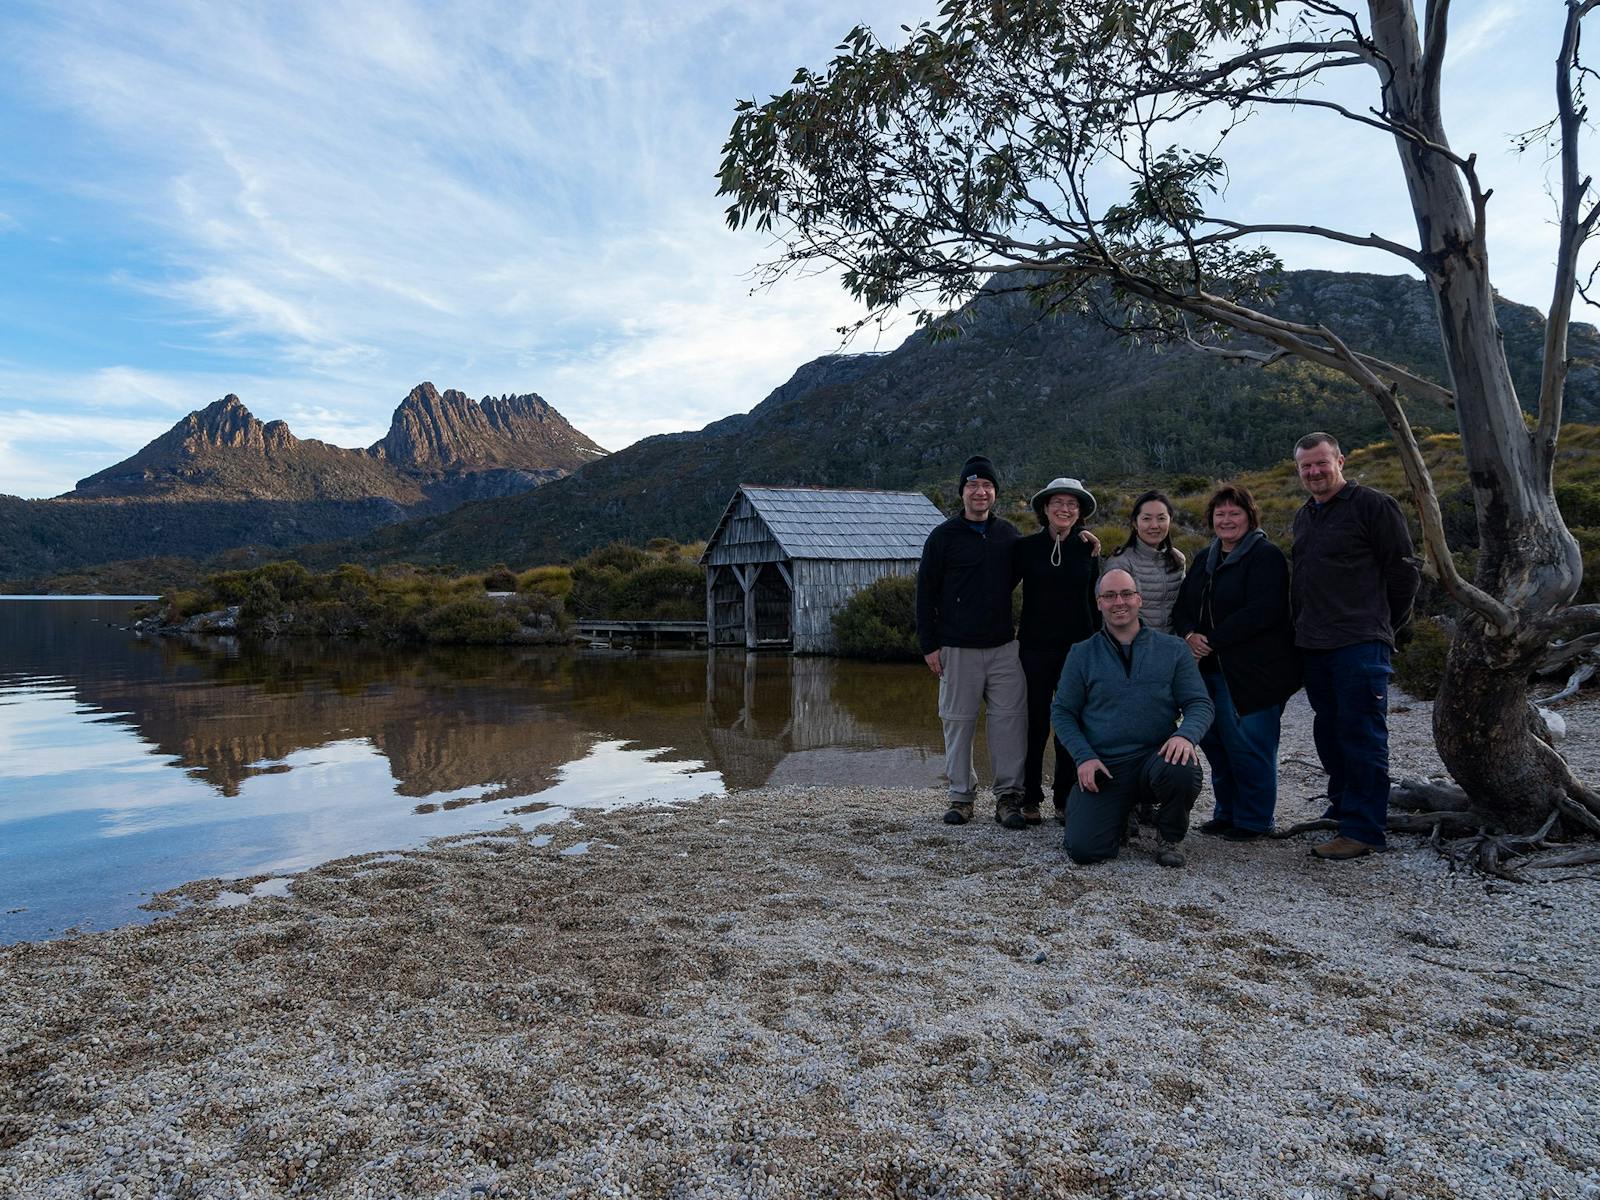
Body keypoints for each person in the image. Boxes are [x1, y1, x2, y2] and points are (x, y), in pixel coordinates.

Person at [1291, 432, 1421, 861]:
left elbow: (1404, 575)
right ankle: (1344, 806)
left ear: (1340, 461)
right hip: (1315, 644)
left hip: (1359, 643)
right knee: (1328, 731)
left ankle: (1363, 829)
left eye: (1321, 463)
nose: (1314, 472)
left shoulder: (1374, 506)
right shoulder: (1305, 515)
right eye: (1306, 466)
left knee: (1362, 733)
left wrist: (1383, 626)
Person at [1050, 568, 1213, 868]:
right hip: (1106, 765)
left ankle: (1170, 836)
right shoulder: (1081, 653)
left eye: (1126, 594)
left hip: (1156, 758)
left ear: (1139, 599)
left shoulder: (1174, 649)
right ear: (1099, 603)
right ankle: (1121, 812)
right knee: (1085, 851)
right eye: (1109, 596)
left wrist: (1184, 735)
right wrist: (1083, 757)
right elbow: (1062, 712)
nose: (1119, 602)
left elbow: (1200, 703)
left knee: (1183, 769)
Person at [1172, 483, 1301, 842]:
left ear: (1249, 516)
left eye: (1234, 513)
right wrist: (1189, 636)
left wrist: (1212, 639)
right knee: (1217, 744)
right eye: (1220, 514)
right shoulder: (1205, 558)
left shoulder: (1265, 556)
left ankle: (1255, 820)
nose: (1227, 520)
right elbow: (1182, 608)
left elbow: (1263, 611)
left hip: (1253, 673)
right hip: (1208, 671)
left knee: (1251, 746)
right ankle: (1226, 812)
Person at [916, 454, 1029, 829]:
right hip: (956, 649)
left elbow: (1041, 565)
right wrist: (929, 645)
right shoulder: (942, 537)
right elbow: (925, 593)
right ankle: (961, 797)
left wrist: (1081, 539)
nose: (980, 492)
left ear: (995, 492)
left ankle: (1009, 797)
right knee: (958, 722)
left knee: (1009, 724)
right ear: (962, 491)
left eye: (987, 486)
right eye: (972, 485)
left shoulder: (1009, 535)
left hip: (1002, 648)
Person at [1013, 478, 1101, 826]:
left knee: (1070, 725)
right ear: (1045, 508)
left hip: (1076, 651)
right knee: (1034, 724)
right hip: (1034, 649)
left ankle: (1064, 798)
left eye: (1072, 504)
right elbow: (1000, 587)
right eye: (1058, 503)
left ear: (1079, 512)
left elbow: (1095, 603)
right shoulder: (1026, 548)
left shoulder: (1088, 549)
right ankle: (1030, 797)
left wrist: (1098, 645)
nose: (1065, 509)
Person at [1108, 491, 1185, 633]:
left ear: (1170, 520)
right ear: (1135, 523)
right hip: (1135, 647)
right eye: (1146, 519)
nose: (1154, 525)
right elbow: (1112, 615)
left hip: (1172, 646)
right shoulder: (1121, 562)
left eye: (1161, 518)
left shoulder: (1177, 559)